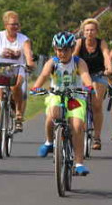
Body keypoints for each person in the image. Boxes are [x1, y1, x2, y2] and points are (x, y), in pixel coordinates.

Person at [30, 31, 95, 176]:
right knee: (52, 115)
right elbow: (44, 75)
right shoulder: (52, 62)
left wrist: (89, 86)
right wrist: (36, 87)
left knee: (77, 126)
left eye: (65, 49)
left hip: (75, 96)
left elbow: (85, 76)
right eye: (59, 49)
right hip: (57, 95)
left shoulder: (78, 62)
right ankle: (49, 142)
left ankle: (79, 163)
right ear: (55, 49)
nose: (62, 53)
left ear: (72, 49)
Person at [0, 10, 35, 148]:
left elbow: (28, 54)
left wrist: (29, 63)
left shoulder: (23, 39)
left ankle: (18, 113)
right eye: (12, 24)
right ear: (6, 24)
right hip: (1, 69)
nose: (15, 27)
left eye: (17, 24)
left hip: (18, 69)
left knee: (16, 85)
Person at [74, 18, 112, 150]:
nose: (89, 33)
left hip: (98, 75)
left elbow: (107, 56)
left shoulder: (101, 43)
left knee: (96, 105)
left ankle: (97, 137)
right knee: (79, 103)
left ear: (96, 32)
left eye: (92, 30)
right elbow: (73, 57)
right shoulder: (79, 43)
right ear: (83, 32)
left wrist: (109, 68)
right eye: (87, 30)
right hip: (81, 76)